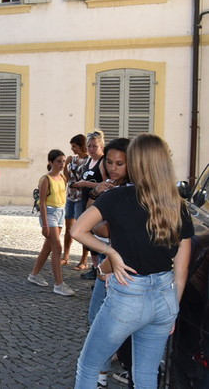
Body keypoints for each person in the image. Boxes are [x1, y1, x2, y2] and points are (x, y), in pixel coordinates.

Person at [71, 134, 193, 388]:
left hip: (128, 295)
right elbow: (181, 268)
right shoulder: (177, 205)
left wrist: (112, 253)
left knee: (89, 366)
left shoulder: (118, 198)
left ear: (136, 162)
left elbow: (77, 230)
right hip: (165, 298)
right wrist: (173, 310)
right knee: (146, 375)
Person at [84, 137, 131, 388]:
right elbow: (91, 220)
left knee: (99, 318)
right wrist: (95, 191)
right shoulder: (110, 186)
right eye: (109, 162)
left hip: (117, 263)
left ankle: (100, 375)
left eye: (119, 163)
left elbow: (97, 228)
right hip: (110, 259)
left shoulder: (125, 191)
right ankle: (109, 369)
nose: (112, 168)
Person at [28, 149, 75, 296]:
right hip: (49, 213)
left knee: (48, 247)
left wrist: (67, 165)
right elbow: (41, 202)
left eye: (62, 161)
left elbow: (69, 182)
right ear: (50, 162)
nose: (61, 164)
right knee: (57, 248)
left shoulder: (63, 177)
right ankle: (59, 284)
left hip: (61, 212)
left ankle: (34, 275)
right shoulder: (45, 179)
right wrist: (45, 224)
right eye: (58, 161)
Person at [73, 130, 106, 279]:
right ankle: (94, 266)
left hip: (97, 204)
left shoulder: (103, 162)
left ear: (101, 146)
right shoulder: (88, 161)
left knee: (96, 235)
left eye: (95, 146)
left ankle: (100, 267)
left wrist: (85, 184)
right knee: (88, 234)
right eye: (90, 146)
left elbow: (107, 184)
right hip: (85, 200)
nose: (91, 149)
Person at [62, 134, 89, 265]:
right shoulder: (72, 159)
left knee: (82, 229)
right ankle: (65, 255)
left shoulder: (89, 161)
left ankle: (84, 259)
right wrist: (65, 165)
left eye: (74, 146)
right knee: (68, 228)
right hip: (70, 196)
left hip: (81, 198)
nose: (72, 149)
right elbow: (67, 178)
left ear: (81, 146)